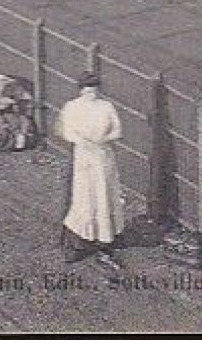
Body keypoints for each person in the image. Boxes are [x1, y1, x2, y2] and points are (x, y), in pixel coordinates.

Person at [58, 71, 126, 267]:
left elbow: (117, 130)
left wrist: (103, 139)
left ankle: (105, 240)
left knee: (104, 196)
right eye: (88, 90)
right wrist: (85, 142)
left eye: (95, 90)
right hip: (84, 158)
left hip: (103, 157)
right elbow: (68, 131)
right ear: (81, 91)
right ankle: (78, 242)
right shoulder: (72, 108)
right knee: (85, 197)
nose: (92, 94)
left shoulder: (106, 107)